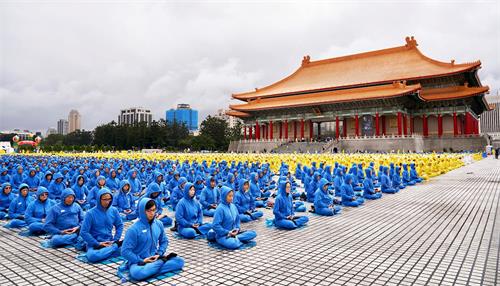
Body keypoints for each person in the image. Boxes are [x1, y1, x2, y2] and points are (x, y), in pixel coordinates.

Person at [121, 198, 184, 281]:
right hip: (140, 262)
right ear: (142, 211)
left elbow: (164, 241)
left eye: (153, 210)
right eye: (149, 211)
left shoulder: (158, 224)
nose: (152, 213)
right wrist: (141, 260)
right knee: (137, 273)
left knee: (179, 261)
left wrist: (159, 253)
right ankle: (160, 263)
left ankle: (153, 268)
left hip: (155, 258)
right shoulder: (133, 229)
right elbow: (125, 251)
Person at [80, 188, 124, 263]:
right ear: (99, 199)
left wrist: (116, 239)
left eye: (109, 199)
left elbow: (119, 225)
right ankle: (114, 248)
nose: (107, 202)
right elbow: (83, 232)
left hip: (110, 242)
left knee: (130, 250)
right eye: (105, 199)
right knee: (92, 256)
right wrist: (97, 243)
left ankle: (109, 250)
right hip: (95, 244)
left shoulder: (114, 210)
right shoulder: (90, 213)